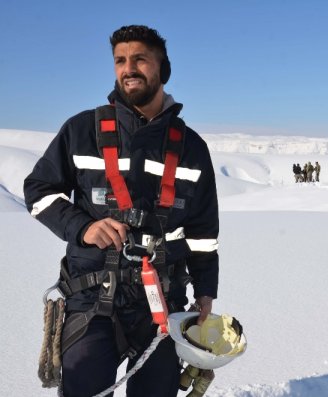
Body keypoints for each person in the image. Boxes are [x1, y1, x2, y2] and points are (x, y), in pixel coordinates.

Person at [24, 25, 219, 396]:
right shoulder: (82, 130)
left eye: (140, 59)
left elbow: (203, 233)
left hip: (163, 303)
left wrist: (206, 290)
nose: (128, 68)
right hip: (92, 299)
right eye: (120, 61)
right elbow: (38, 191)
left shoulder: (192, 148)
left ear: (163, 69)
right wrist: (82, 227)